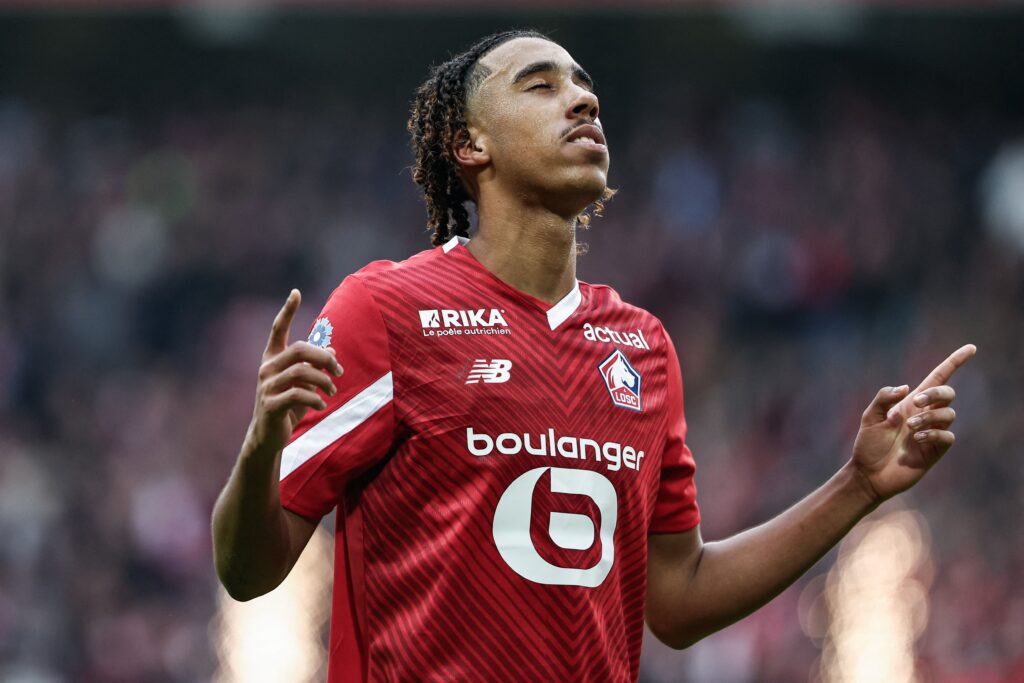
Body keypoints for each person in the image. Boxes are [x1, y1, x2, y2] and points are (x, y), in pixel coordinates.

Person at [211, 29, 976, 682]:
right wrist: (258, 447)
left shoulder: (641, 345)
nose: (582, 101)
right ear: (470, 145)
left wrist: (858, 485)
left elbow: (678, 600)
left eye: (584, 87)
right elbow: (248, 571)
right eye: (539, 86)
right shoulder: (388, 309)